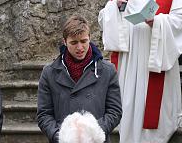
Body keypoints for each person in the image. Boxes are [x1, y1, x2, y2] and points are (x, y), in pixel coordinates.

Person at [99, 0, 182, 143]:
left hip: (154, 54)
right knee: (130, 100)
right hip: (129, 57)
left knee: (152, 104)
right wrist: (114, 6)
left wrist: (157, 22)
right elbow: (103, 19)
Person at [37, 15, 122, 143]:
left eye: (84, 41)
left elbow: (115, 111)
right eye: (74, 42)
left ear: (90, 39)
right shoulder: (49, 73)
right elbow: (44, 115)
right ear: (65, 42)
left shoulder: (107, 70)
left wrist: (94, 133)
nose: (80, 48)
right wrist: (62, 136)